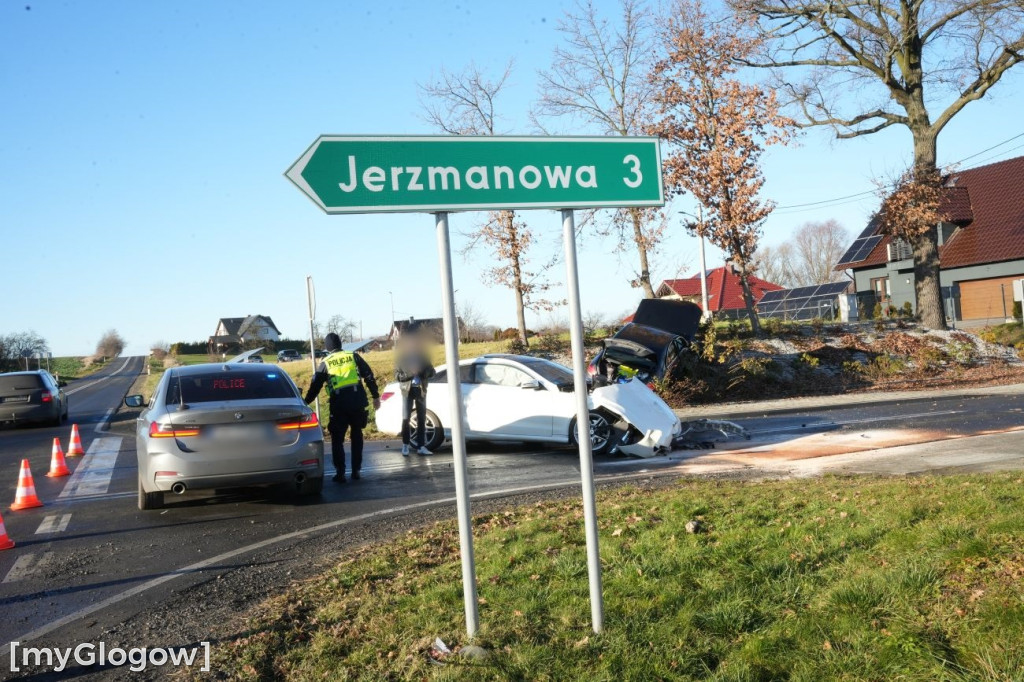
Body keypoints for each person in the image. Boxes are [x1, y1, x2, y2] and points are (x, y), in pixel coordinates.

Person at [304, 333, 379, 482]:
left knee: (337, 439)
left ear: (328, 347)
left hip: (339, 405)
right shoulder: (353, 356)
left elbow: (315, 386)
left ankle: (340, 473)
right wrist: (375, 396)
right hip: (357, 402)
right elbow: (368, 375)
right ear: (340, 344)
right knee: (357, 436)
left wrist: (305, 402)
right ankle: (356, 471)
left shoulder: (326, 362)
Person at [395, 333, 436, 456]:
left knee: (422, 418)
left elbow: (432, 372)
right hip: (407, 391)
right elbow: (397, 376)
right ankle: (405, 445)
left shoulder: (423, 357)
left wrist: (422, 371)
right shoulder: (402, 358)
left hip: (420, 389)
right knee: (406, 418)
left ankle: (421, 446)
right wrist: (411, 373)